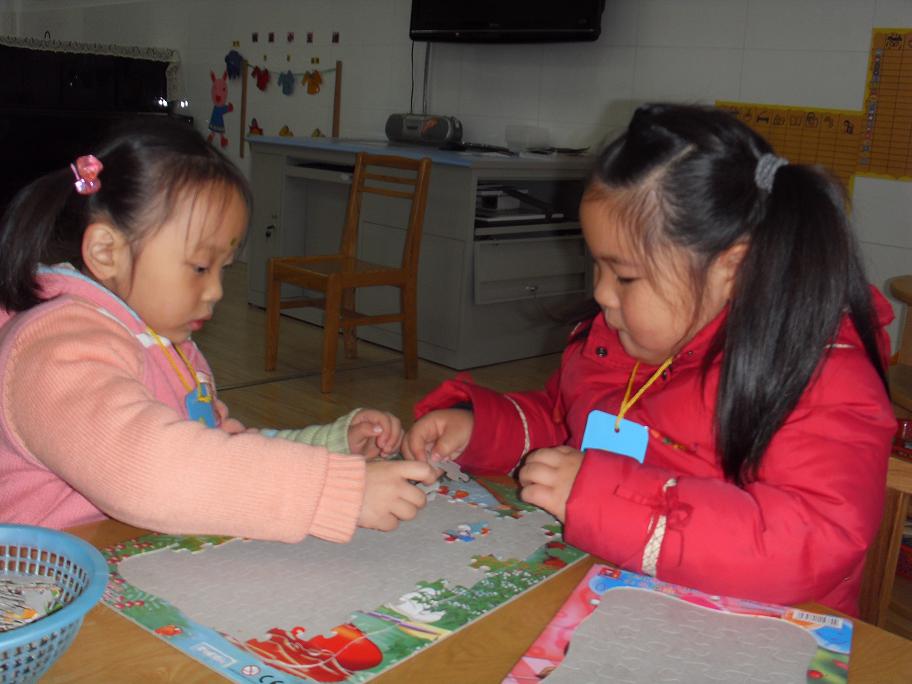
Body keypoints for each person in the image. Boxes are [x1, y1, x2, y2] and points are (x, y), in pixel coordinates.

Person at [402, 103, 896, 615]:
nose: (602, 294)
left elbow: (808, 543)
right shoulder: (620, 339)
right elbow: (566, 424)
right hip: (624, 596)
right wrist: (480, 428)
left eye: (625, 276)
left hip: (755, 629)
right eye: (596, 266)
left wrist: (601, 498)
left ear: (732, 267)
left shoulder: (821, 373)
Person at [0, 117, 438, 543]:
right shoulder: (54, 349)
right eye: (199, 267)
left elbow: (218, 450)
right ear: (105, 252)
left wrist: (332, 447)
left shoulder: (164, 342)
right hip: (40, 581)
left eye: (223, 269)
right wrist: (333, 492)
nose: (216, 291)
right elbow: (151, 472)